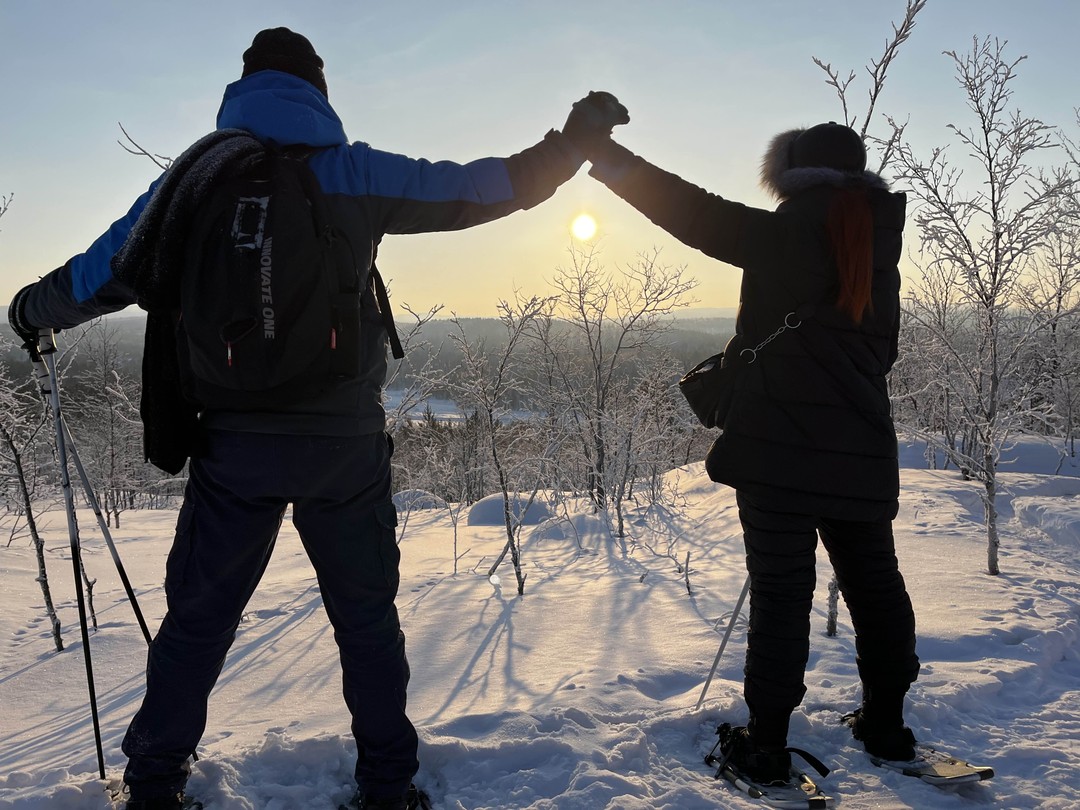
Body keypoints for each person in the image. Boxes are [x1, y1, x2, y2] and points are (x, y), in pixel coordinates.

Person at [7, 28, 628, 810]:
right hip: (343, 447)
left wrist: (31, 310)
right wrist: (571, 145)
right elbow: (483, 186)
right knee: (366, 622)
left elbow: (102, 273)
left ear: (240, 92)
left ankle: (155, 784)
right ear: (319, 95)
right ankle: (386, 785)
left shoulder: (191, 181)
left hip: (231, 448)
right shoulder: (354, 172)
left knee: (198, 623)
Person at [580, 121, 920, 784]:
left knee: (782, 594)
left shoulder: (791, 230)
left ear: (791, 173)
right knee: (876, 586)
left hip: (778, 452)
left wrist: (607, 156)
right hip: (861, 451)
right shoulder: (876, 240)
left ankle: (765, 744)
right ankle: (887, 724)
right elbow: (883, 354)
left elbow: (693, 213)